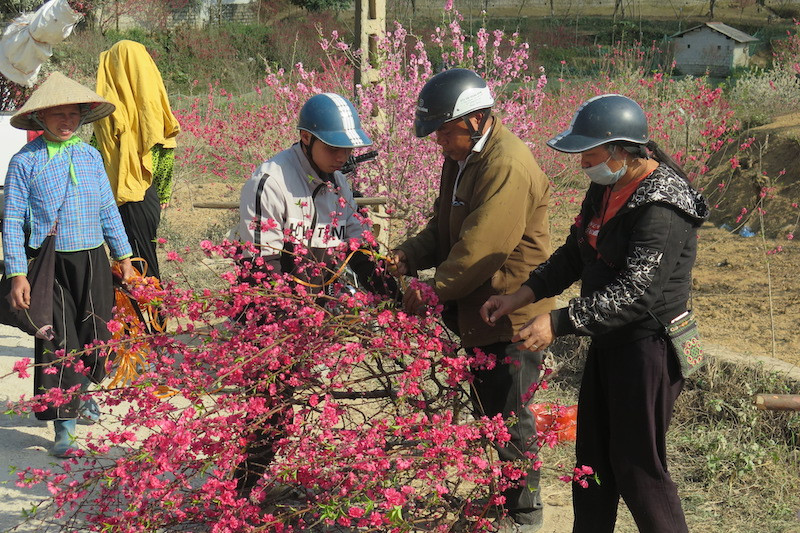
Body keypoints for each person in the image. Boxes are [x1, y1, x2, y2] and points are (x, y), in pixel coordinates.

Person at [480, 94, 709, 533]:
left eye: (590, 153)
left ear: (623, 149)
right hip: (610, 341)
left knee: (638, 466)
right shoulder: (606, 188)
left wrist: (558, 322)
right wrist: (521, 295)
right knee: (592, 465)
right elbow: (575, 253)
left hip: (649, 346)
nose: (583, 162)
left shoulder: (662, 205)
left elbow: (637, 292)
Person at [390, 68, 554, 532]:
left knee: (511, 417)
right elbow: (445, 228)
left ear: (476, 119)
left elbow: (482, 248)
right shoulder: (463, 157)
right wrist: (408, 256)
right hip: (478, 308)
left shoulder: (506, 164)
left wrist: (432, 289)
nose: (439, 141)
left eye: (445, 130)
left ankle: (524, 514)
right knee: (491, 414)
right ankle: (505, 500)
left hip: (510, 312)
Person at [232, 92, 391, 497]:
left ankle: (251, 488)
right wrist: (292, 327)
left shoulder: (338, 181)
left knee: (290, 412)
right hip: (272, 315)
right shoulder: (270, 182)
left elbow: (357, 246)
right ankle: (239, 496)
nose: (342, 157)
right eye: (334, 148)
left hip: (314, 309)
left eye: (348, 149)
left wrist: (390, 290)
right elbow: (261, 271)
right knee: (270, 412)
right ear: (306, 138)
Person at [2, 71, 134, 457]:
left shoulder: (90, 156)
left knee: (96, 336)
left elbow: (107, 208)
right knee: (60, 343)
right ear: (40, 117)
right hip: (50, 265)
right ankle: (65, 427)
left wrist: (123, 255)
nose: (67, 121)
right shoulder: (25, 161)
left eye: (73, 114)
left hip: (93, 261)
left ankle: (81, 395)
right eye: (58, 114)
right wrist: (17, 273)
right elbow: (12, 220)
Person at [93, 39, 180, 288]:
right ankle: (152, 311)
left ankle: (146, 312)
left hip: (120, 196)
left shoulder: (107, 110)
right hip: (148, 196)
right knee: (143, 261)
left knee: (132, 266)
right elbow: (165, 150)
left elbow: (96, 155)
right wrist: (162, 193)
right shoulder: (154, 106)